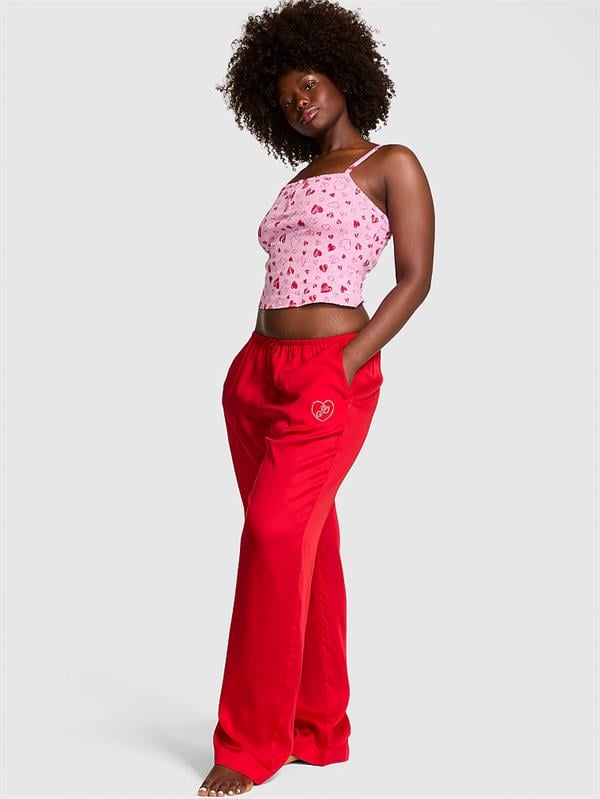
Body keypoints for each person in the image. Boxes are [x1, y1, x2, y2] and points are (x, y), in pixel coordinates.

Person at [198, 0, 434, 795]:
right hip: (256, 372)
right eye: (284, 94)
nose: (299, 99)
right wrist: (251, 362)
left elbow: (415, 279)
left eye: (308, 80)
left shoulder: (390, 162)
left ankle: (248, 743)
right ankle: (318, 727)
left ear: (340, 73)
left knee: (271, 535)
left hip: (330, 371)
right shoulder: (297, 180)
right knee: (306, 542)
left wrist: (350, 361)